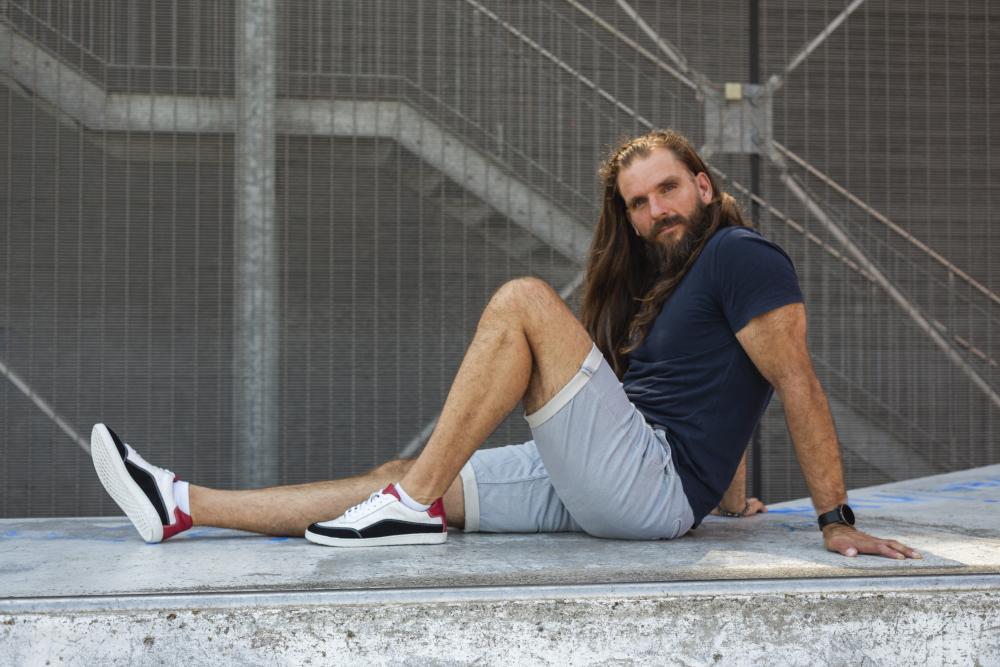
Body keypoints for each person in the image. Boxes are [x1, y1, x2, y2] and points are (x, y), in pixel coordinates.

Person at [90, 129, 919, 559]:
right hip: (629, 479)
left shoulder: (743, 255)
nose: (655, 209)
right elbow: (727, 384)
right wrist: (731, 497)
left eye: (668, 188)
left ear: (704, 186)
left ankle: (409, 509)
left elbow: (794, 379)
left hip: (645, 484)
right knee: (405, 474)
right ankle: (182, 504)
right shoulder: (682, 280)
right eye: (637, 202)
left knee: (523, 301)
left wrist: (834, 521)